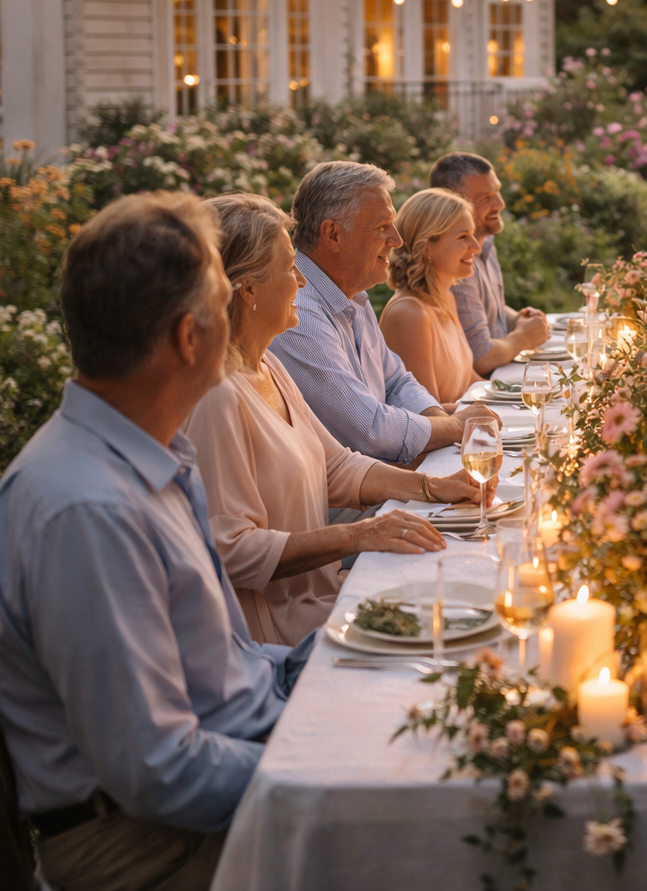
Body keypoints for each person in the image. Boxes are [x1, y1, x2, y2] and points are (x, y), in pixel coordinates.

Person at [0, 192, 307, 890]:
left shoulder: (151, 459)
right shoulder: (87, 510)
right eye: (225, 300)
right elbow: (161, 772)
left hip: (223, 776)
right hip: (151, 848)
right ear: (191, 337)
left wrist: (324, 663)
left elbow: (225, 668)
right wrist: (318, 759)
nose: (238, 314)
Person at [182, 194, 487, 647]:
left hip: (325, 598)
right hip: (279, 632)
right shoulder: (217, 396)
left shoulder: (267, 366)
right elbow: (234, 550)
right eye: (289, 268)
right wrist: (357, 537)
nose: (303, 282)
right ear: (247, 291)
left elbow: (337, 467)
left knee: (466, 589)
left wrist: (432, 487)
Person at [270, 161, 499, 465]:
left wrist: (441, 421)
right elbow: (370, 430)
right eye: (382, 227)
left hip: (382, 485)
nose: (397, 239)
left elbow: (396, 382)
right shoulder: (300, 313)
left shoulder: (353, 297)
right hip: (351, 506)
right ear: (333, 235)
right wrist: (454, 426)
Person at [431, 152, 550, 375]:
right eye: (486, 198)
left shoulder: (485, 244)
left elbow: (487, 308)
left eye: (497, 191)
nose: (500, 204)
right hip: (481, 392)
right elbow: (481, 357)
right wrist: (523, 337)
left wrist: (519, 319)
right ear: (451, 204)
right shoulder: (457, 265)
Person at [379, 188, 483, 406]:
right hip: (446, 438)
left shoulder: (445, 299)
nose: (476, 246)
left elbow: (469, 381)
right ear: (426, 245)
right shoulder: (408, 315)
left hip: (463, 431)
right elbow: (429, 415)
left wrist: (518, 393)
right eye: (463, 237)